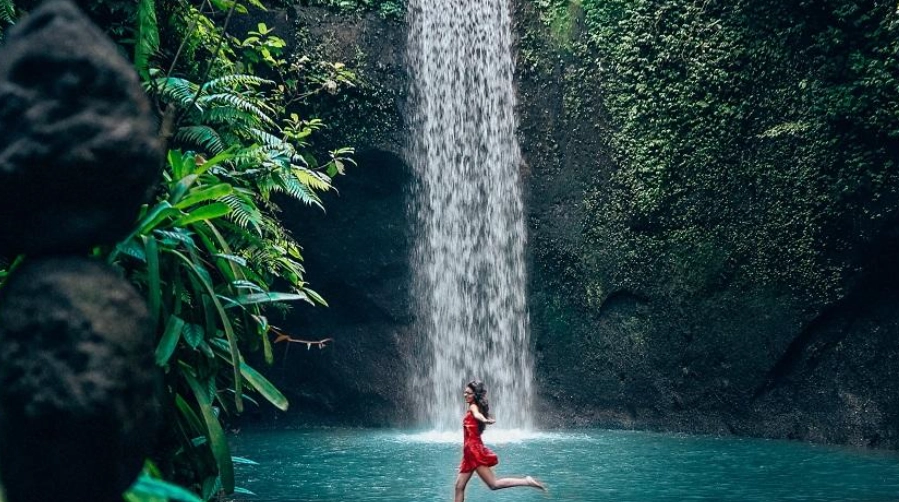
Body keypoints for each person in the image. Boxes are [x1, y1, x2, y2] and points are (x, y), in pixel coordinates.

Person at [454, 380, 546, 502]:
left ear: (475, 395)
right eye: (465, 393)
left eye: (469, 393)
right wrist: (486, 419)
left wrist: (485, 420)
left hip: (473, 452)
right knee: (459, 487)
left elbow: (477, 415)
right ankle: (526, 481)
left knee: (493, 484)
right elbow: (478, 417)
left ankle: (526, 481)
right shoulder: (476, 407)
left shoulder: (473, 407)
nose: (465, 395)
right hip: (469, 452)